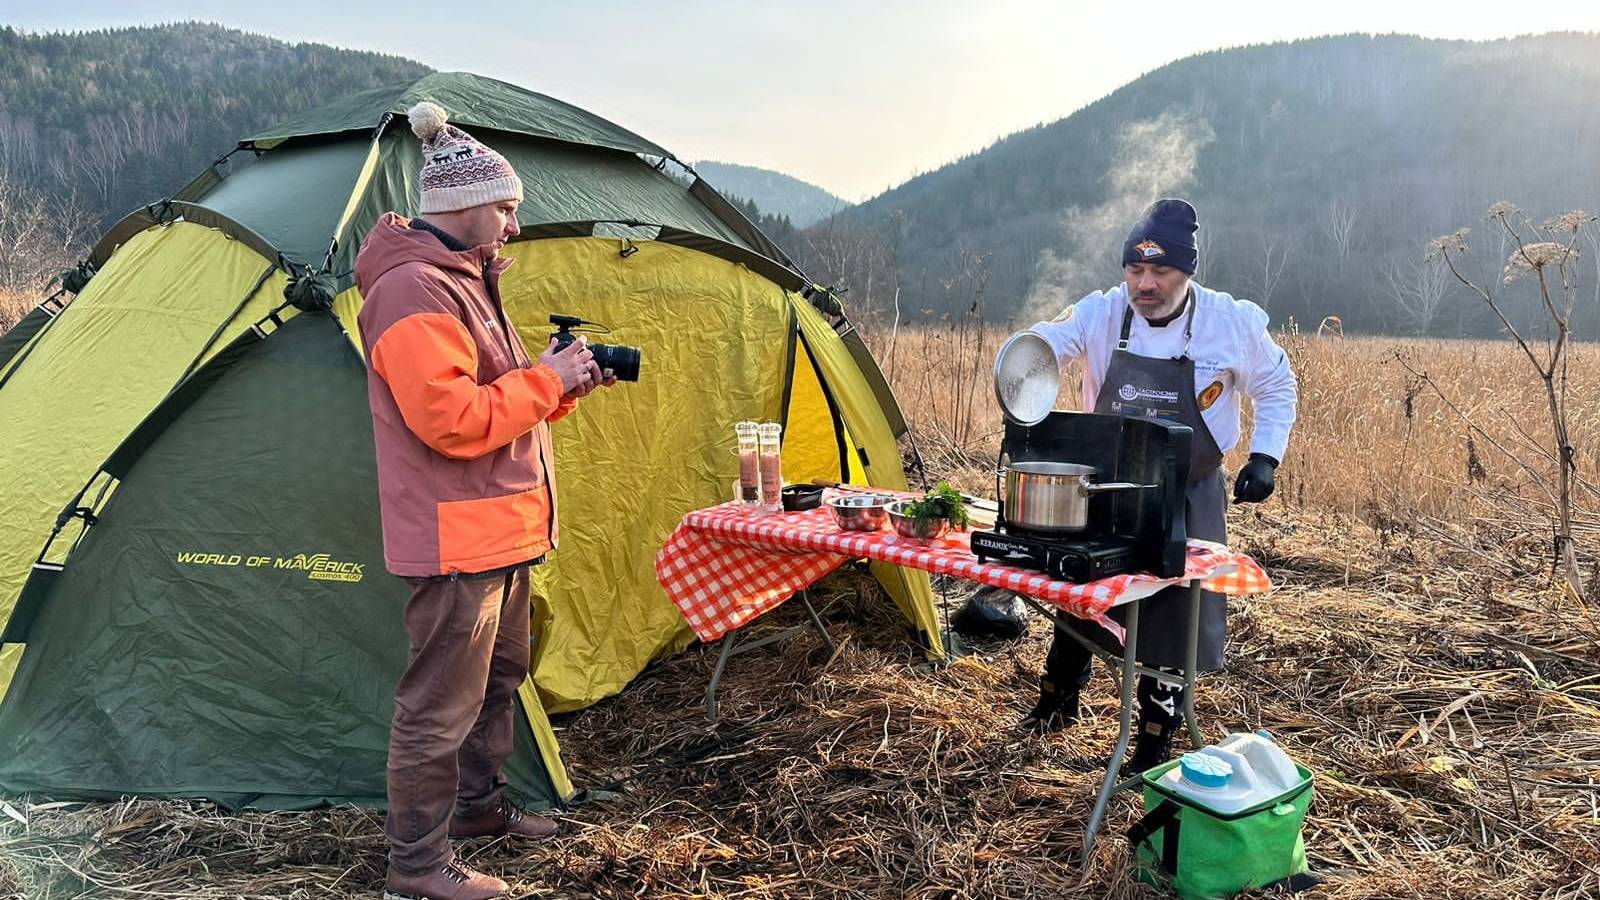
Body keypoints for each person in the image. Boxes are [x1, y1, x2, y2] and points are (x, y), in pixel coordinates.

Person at [355, 101, 615, 900]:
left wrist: (558, 385)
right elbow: (449, 421)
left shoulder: (467, 280)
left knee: (498, 681)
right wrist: (547, 380)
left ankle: (474, 811)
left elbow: (494, 398)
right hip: (455, 540)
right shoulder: (411, 290)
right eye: (506, 208)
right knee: (438, 708)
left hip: (501, 532)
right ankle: (417, 867)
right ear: (462, 204)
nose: (512, 225)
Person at [1019, 198, 1297, 774]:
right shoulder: (1100, 313)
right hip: (1107, 486)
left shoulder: (1230, 322)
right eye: (1134, 270)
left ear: (1188, 272)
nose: (1144, 285)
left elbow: (1276, 384)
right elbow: (1044, 345)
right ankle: (1058, 699)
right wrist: (1023, 371)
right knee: (1083, 589)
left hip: (1186, 490)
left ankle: (1155, 730)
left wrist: (1265, 456)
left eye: (1160, 272)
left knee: (1175, 609)